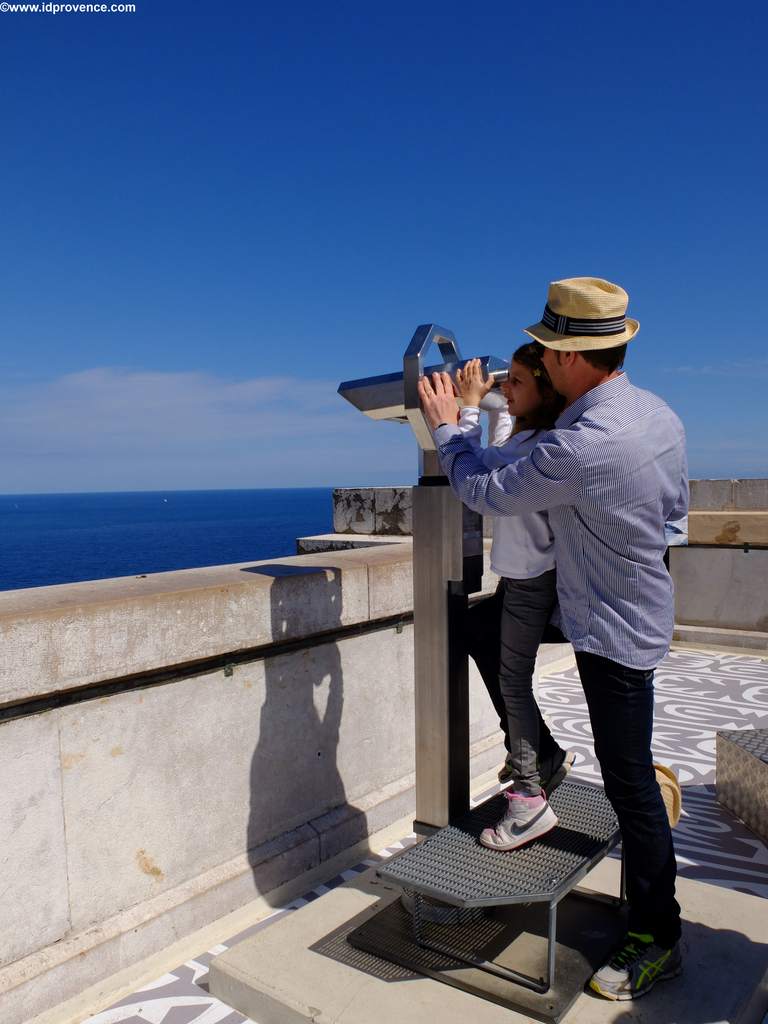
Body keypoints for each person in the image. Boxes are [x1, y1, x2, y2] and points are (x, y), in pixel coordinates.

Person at [418, 276, 688, 1002]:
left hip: (610, 626)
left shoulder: (586, 442)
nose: (536, 358)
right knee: (492, 635)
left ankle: (658, 934)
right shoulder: (653, 414)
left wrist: (451, 428)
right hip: (635, 606)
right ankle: (569, 775)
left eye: (544, 349)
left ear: (569, 359)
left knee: (627, 779)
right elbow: (673, 517)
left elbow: (485, 491)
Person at [452, 348, 575, 850]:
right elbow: (502, 439)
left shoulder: (535, 451)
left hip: (532, 585)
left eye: (517, 382)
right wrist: (498, 403)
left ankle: (528, 796)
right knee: (475, 630)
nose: (507, 388)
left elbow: (476, 468)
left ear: (545, 393)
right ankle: (541, 752)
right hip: (522, 580)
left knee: (514, 681)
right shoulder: (529, 439)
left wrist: (461, 409)